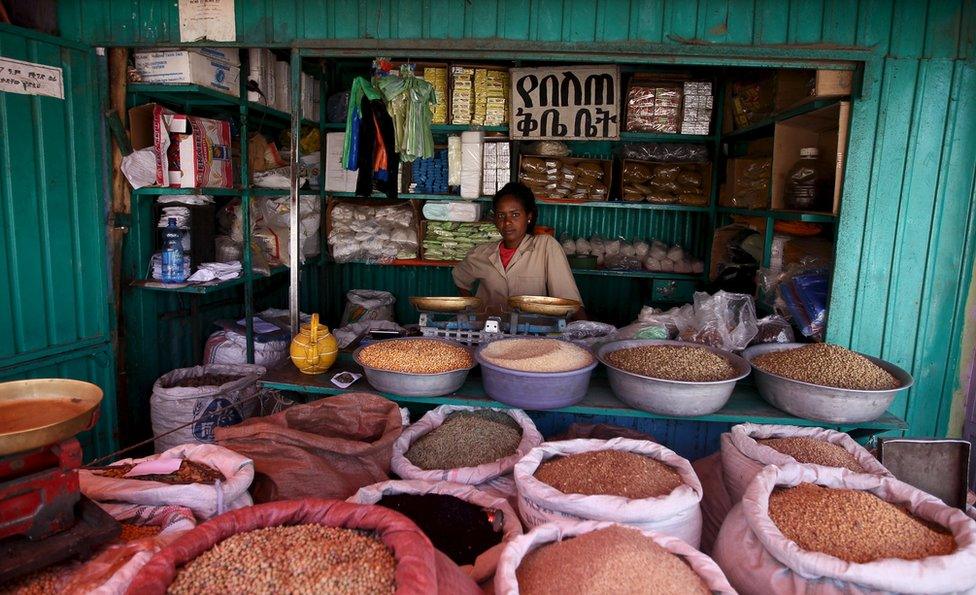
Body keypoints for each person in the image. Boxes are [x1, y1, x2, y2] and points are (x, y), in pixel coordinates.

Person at [453, 182, 585, 317]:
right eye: (501, 215)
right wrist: (473, 311)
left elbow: (569, 301)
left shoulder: (545, 247)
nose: (507, 222)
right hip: (490, 329)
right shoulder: (481, 253)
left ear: (529, 217)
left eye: (515, 214)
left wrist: (585, 327)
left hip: (532, 329)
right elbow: (459, 277)